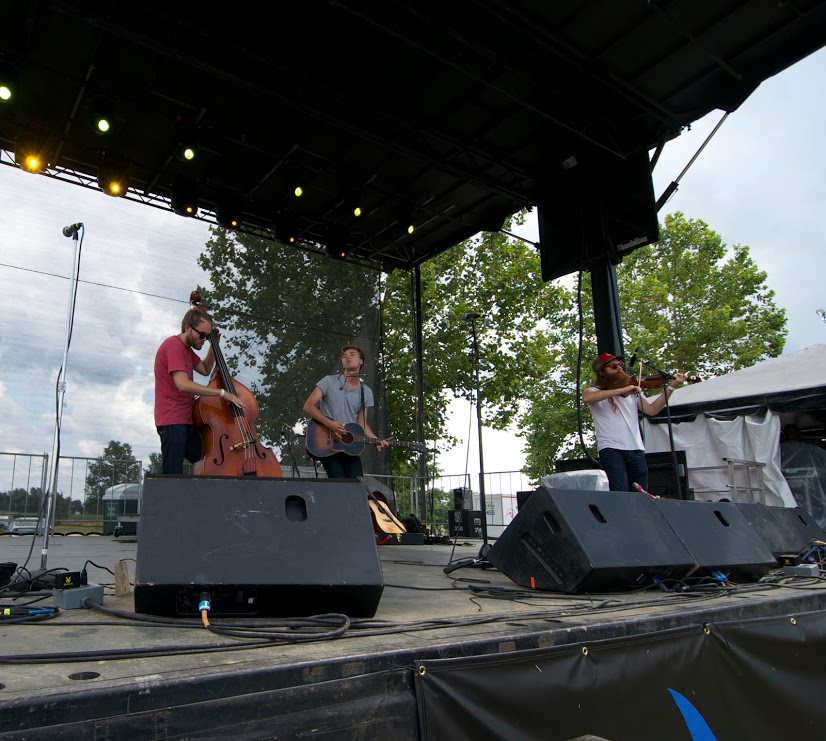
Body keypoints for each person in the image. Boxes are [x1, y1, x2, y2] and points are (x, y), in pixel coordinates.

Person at [153, 307, 243, 474]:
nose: (204, 340)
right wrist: (222, 393)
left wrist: (214, 345)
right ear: (187, 328)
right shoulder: (173, 346)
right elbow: (182, 384)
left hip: (186, 419)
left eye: (207, 337)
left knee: (205, 460)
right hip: (172, 420)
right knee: (172, 474)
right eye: (202, 335)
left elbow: (205, 369)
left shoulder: (186, 349)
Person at [583, 352, 688, 492]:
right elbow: (587, 398)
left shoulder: (632, 390)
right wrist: (622, 390)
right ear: (602, 372)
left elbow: (652, 409)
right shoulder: (594, 391)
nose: (619, 368)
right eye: (614, 366)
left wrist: (672, 387)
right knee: (620, 491)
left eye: (620, 365)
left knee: (640, 492)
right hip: (611, 448)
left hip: (636, 448)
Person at [303, 344, 388, 478]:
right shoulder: (329, 381)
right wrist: (329, 423)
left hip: (349, 446)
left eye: (352, 354)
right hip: (327, 441)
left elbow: (361, 424)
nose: (347, 357)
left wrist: (375, 439)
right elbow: (308, 406)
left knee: (358, 482)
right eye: (344, 356)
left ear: (361, 361)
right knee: (338, 480)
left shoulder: (366, 392)